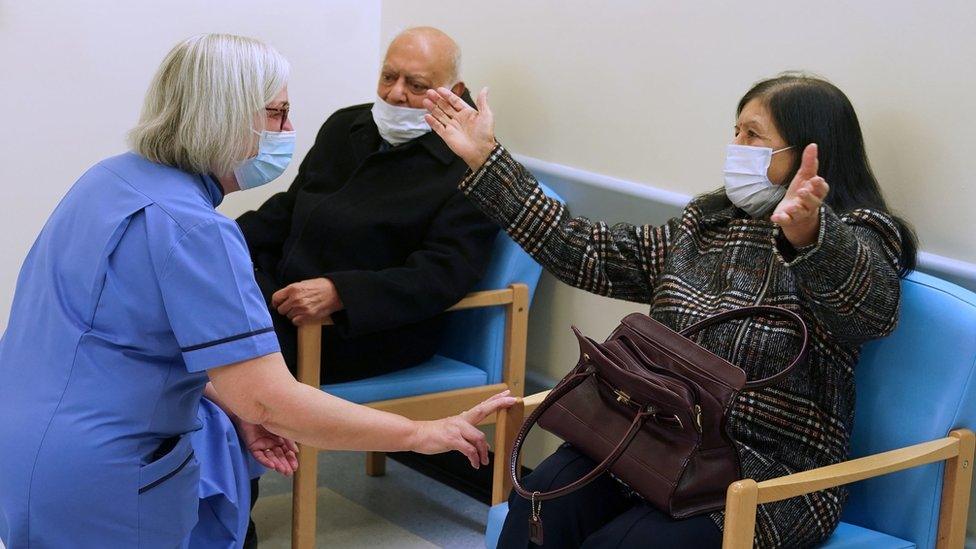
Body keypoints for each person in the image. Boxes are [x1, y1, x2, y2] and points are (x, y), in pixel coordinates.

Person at [0, 33, 514, 549]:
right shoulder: (197, 232)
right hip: (102, 475)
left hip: (23, 441)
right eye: (277, 113)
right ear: (224, 116)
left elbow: (123, 343)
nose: (289, 130)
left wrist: (241, 400)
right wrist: (420, 434)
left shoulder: (108, 180)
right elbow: (269, 402)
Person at [423, 73, 918, 548]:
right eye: (736, 131)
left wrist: (810, 235)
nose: (736, 146)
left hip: (768, 468)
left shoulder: (862, 234)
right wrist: (489, 160)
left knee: (625, 543)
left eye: (754, 136)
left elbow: (869, 313)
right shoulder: (706, 225)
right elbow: (585, 250)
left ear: (809, 152)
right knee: (546, 501)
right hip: (656, 435)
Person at [236, 26, 499, 384]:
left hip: (365, 329)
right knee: (190, 310)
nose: (396, 94)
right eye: (389, 77)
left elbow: (441, 275)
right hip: (284, 299)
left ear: (454, 93)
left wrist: (340, 293)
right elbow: (291, 207)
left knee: (223, 356)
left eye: (417, 85)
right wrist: (220, 238)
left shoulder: (475, 165)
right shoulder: (345, 126)